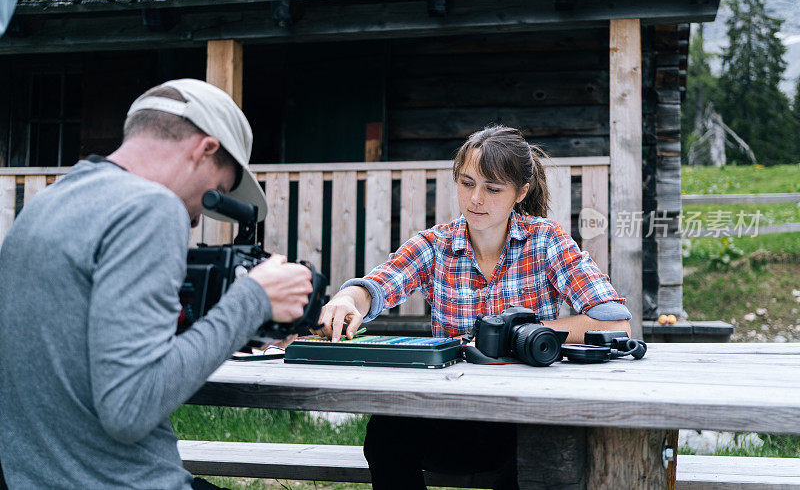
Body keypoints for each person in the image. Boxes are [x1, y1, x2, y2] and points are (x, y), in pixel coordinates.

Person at [0, 79, 313, 489]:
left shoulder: (47, 203)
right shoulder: (151, 206)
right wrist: (252, 299)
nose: (198, 219)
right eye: (215, 193)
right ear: (206, 149)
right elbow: (130, 408)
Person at [314, 125, 632, 489]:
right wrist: (346, 299)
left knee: (546, 449)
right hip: (451, 415)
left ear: (521, 192)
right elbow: (375, 287)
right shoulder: (435, 245)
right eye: (466, 184)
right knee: (386, 431)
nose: (475, 199)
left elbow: (615, 322)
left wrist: (527, 335)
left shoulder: (546, 240)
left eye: (492, 188)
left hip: (524, 419)